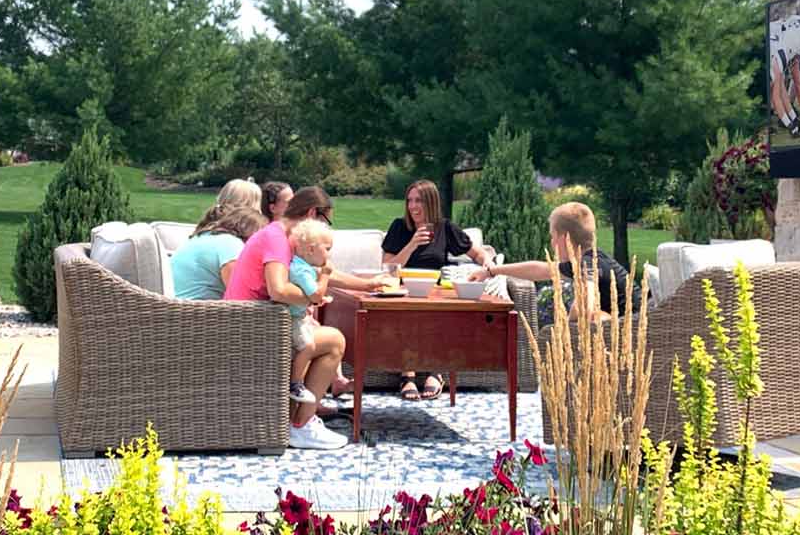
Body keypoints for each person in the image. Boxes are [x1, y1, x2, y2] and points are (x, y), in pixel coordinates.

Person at [225, 186, 386, 449]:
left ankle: (296, 416)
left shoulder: (285, 238)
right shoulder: (277, 239)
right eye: (326, 221)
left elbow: (322, 272)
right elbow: (278, 289)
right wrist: (313, 298)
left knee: (317, 333)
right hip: (251, 325)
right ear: (313, 214)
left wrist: (368, 285)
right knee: (334, 341)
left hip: (253, 320)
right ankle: (300, 425)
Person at [381, 179, 493, 401]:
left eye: (419, 201)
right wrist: (412, 244)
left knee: (440, 312)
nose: (413, 206)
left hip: (435, 291)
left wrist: (489, 266)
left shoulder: (445, 228)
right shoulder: (399, 227)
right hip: (404, 291)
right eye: (410, 201)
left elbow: (478, 254)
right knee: (407, 312)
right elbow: (388, 268)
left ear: (430, 203)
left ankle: (436, 372)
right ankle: (408, 375)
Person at [470, 201, 639, 326]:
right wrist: (492, 271)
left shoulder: (588, 264)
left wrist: (565, 327)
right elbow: (539, 269)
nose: (551, 242)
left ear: (564, 238)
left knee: (596, 317)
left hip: (633, 331)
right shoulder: (589, 258)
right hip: (626, 327)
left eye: (552, 236)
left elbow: (584, 306)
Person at [284, 218, 334, 405]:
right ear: (311, 249)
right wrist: (326, 275)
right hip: (294, 319)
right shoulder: (302, 270)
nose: (329, 255)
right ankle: (295, 384)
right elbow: (314, 295)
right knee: (308, 347)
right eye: (327, 249)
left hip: (299, 314)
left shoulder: (301, 265)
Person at [171, 205, 267, 300]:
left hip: (175, 307)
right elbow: (241, 292)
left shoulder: (201, 237)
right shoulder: (230, 243)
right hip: (200, 310)